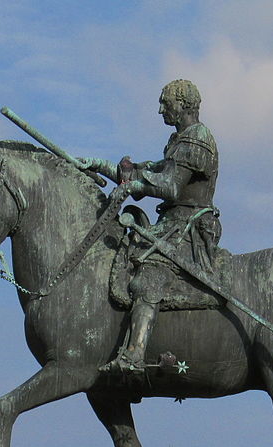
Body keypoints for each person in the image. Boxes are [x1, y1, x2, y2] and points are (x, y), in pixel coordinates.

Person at [81, 79, 220, 373]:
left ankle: (133, 355)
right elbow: (152, 169)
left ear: (182, 104)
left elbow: (169, 187)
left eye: (164, 103)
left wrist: (133, 186)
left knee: (149, 275)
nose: (160, 110)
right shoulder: (179, 140)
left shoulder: (197, 139)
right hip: (171, 224)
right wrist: (102, 166)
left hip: (188, 230)